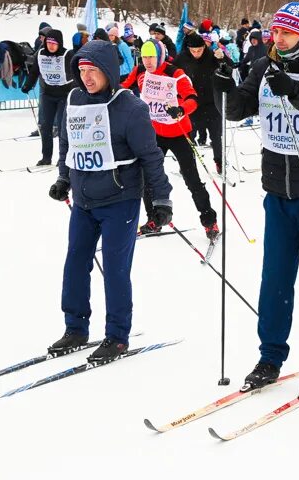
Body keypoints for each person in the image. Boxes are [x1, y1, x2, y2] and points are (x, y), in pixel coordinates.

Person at [214, 2, 299, 397]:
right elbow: (238, 108)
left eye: (286, 34)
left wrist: (295, 90)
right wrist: (222, 87)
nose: (278, 39)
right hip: (278, 190)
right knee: (274, 278)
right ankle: (270, 355)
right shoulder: (264, 64)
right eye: (276, 32)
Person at [46, 39, 172, 362]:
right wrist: (63, 177)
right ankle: (75, 327)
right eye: (82, 71)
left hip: (120, 200)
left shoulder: (130, 107)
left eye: (93, 71)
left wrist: (161, 199)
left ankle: (117, 335)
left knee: (116, 269)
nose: (86, 78)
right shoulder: (75, 98)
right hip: (85, 201)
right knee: (75, 263)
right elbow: (67, 144)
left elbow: (151, 156)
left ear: (109, 72)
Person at [121, 39, 218, 239]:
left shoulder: (175, 73)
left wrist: (182, 109)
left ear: (161, 56)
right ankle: (154, 219)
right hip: (154, 133)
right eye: (145, 56)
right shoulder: (140, 71)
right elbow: (123, 87)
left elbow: (193, 98)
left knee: (192, 179)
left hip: (179, 133)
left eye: (152, 57)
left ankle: (209, 222)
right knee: (148, 177)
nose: (148, 61)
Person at [174, 32, 232, 173]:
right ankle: (187, 165)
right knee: (189, 137)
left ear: (204, 47)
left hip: (212, 102)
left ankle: (220, 162)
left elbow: (229, 69)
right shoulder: (182, 58)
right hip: (192, 103)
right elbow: (171, 72)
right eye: (193, 51)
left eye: (199, 50)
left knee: (216, 136)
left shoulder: (211, 55)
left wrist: (223, 58)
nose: (196, 53)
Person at [21, 29, 75, 166]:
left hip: (64, 94)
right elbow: (34, 72)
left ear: (59, 43)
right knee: (45, 126)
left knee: (63, 127)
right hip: (48, 95)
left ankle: (63, 158)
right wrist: (28, 85)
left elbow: (76, 72)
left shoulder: (67, 54)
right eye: (48, 42)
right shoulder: (41, 54)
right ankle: (46, 157)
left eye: (54, 43)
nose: (50, 46)